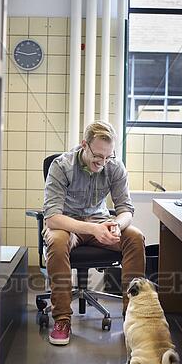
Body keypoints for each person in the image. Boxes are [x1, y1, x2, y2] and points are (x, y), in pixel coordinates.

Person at [43, 121, 145, 345]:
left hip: (100, 221)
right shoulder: (62, 166)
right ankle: (62, 319)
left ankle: (133, 318)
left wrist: (116, 225)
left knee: (135, 237)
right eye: (98, 155)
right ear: (84, 145)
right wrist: (93, 229)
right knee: (57, 241)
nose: (103, 162)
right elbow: (52, 218)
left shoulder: (115, 166)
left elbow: (126, 209)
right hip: (67, 224)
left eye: (108, 156)